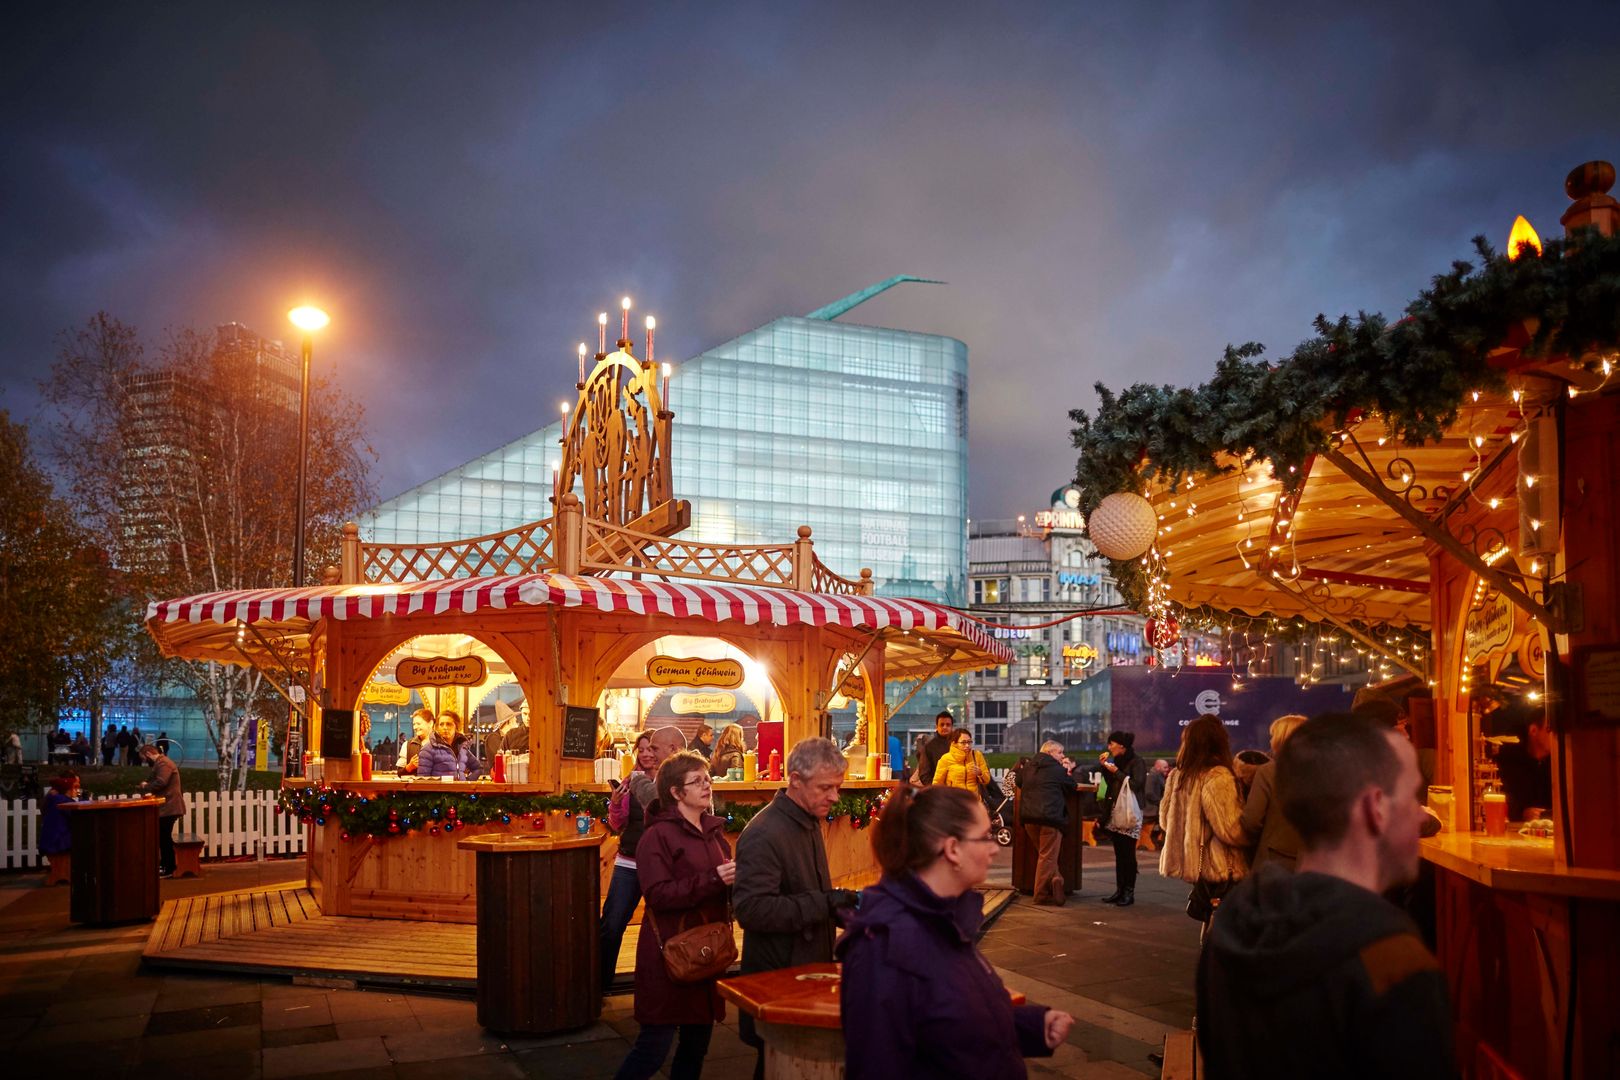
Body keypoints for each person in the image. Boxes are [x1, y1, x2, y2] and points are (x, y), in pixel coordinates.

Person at [1197, 712, 1453, 1078]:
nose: (1418, 817)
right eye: (1410, 798)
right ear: (1373, 809)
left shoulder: (1234, 922)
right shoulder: (1392, 955)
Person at [838, 784, 1074, 1078]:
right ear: (952, 849)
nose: (993, 849)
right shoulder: (886, 947)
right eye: (984, 837)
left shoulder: (944, 919)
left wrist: (1029, 1027)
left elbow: (952, 1018)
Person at [733, 737, 855, 1078]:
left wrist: (839, 909)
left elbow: (805, 892)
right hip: (778, 980)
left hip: (804, 973)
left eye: (837, 787)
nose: (834, 796)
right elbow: (751, 910)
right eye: (825, 787)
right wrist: (825, 903)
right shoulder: (764, 832)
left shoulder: (806, 820)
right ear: (795, 781)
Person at [615, 751, 735, 1080]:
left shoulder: (713, 832)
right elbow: (658, 894)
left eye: (707, 779)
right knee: (653, 1049)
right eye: (696, 781)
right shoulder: (657, 836)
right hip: (669, 953)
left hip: (706, 953)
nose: (706, 786)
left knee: (696, 1047)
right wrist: (714, 879)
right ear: (675, 792)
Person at [1158, 716, 1248, 928]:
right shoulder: (1218, 776)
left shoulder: (1178, 775)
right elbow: (1231, 830)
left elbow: (1164, 821)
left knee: (1211, 922)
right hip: (1221, 865)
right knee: (1226, 927)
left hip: (1197, 864)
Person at [600, 731, 666, 989]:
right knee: (612, 925)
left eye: (651, 748)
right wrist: (615, 805)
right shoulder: (629, 781)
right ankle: (601, 984)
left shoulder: (669, 780)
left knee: (662, 927)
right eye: (642, 749)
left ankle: (662, 986)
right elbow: (617, 825)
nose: (647, 754)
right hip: (629, 862)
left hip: (660, 865)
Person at [1241, 714, 1308, 872]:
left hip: (1274, 861)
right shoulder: (1326, 771)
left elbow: (1251, 820)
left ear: (1281, 738)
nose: (1270, 741)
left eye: (1273, 736)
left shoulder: (1269, 772)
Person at [1015, 740, 1079, 905]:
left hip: (1028, 818)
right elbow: (1072, 786)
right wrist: (1068, 771)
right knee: (1047, 857)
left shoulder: (1028, 767)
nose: (1063, 756)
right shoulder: (1057, 769)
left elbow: (1018, 782)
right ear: (1050, 753)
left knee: (1045, 855)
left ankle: (1057, 878)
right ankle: (1040, 894)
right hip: (1050, 818)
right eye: (1060, 752)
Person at [1096, 730, 1149, 906]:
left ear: (1121, 745)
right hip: (1116, 810)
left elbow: (1136, 784)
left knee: (1128, 853)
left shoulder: (1137, 761)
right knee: (1119, 853)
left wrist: (1117, 771)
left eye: (1111, 743)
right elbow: (1111, 785)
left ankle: (1129, 892)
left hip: (1129, 811)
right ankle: (1119, 890)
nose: (1109, 747)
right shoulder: (1116, 761)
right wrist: (1106, 768)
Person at [1492, 698, 1553, 822]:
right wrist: (1522, 813)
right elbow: (1503, 797)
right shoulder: (1509, 762)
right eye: (1549, 729)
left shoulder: (1558, 764)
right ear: (1533, 730)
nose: (1556, 734)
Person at [137, 742, 185, 876]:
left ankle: (168, 867)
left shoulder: (163, 764)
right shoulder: (162, 763)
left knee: (163, 838)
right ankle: (166, 865)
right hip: (168, 806)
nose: (144, 762)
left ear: (148, 754)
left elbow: (161, 782)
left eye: (143, 759)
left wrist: (145, 787)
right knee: (163, 837)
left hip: (169, 807)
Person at [415, 711, 481, 779]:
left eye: (449, 724)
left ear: (456, 726)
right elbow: (422, 780)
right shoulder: (427, 750)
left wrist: (466, 782)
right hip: (440, 789)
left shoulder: (462, 748)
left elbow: (478, 768)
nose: (445, 727)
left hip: (460, 789)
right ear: (437, 727)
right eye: (441, 724)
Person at [932, 729, 992, 794]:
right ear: (954, 743)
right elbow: (937, 783)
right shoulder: (946, 759)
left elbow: (987, 780)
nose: (967, 745)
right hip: (955, 801)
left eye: (969, 742)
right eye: (963, 742)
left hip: (973, 800)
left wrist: (980, 773)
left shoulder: (977, 755)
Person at [39, 773, 81, 865]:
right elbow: (77, 819)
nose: (77, 790)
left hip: (49, 842)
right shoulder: (64, 802)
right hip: (59, 843)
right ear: (68, 789)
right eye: (75, 787)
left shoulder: (53, 799)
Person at [914, 711, 955, 787]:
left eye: (948, 725)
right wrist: (935, 788)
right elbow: (924, 774)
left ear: (952, 727)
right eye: (942, 725)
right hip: (938, 791)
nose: (945, 727)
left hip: (959, 790)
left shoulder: (959, 743)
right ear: (937, 726)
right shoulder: (929, 747)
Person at [1141, 758, 1171, 845]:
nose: (1167, 769)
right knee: (1168, 818)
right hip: (1151, 810)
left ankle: (1163, 839)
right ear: (1158, 767)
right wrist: (1161, 802)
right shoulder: (1152, 776)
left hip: (1155, 808)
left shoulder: (1158, 776)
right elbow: (1149, 793)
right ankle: (1165, 841)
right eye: (1165, 767)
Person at [397, 708, 433, 775]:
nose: (415, 727)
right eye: (414, 724)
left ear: (430, 723)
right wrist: (409, 767)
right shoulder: (407, 745)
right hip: (414, 785)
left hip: (436, 785)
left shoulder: (440, 744)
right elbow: (399, 773)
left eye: (418, 724)